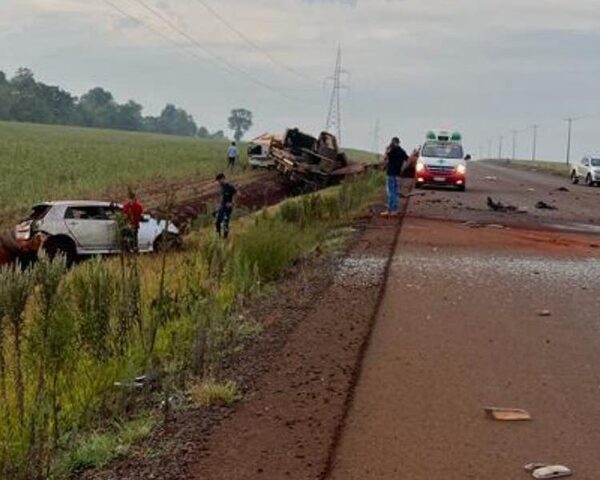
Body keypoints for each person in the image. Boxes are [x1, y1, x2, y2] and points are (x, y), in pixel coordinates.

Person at [382, 137, 409, 217]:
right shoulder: (402, 151)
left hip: (390, 174)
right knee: (395, 192)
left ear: (392, 142)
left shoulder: (391, 151)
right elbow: (407, 159)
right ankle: (394, 210)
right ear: (399, 142)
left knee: (391, 192)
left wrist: (386, 150)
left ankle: (390, 210)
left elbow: (385, 158)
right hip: (397, 174)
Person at [215, 173, 237, 239]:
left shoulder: (230, 186)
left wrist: (232, 203)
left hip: (228, 207)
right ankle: (218, 236)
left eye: (219, 180)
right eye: (218, 181)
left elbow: (235, 193)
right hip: (222, 206)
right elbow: (222, 196)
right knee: (217, 222)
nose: (218, 182)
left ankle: (225, 238)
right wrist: (219, 205)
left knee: (225, 222)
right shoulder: (221, 187)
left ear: (223, 179)